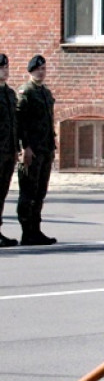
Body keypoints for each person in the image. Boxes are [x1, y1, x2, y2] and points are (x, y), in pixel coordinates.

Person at [15, 54, 56, 245]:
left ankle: (36, 229)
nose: (41, 72)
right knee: (28, 191)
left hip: (45, 148)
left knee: (40, 191)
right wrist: (25, 147)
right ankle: (26, 230)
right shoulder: (26, 92)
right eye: (38, 69)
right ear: (31, 71)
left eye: (44, 69)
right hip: (32, 149)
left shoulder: (45, 93)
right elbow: (20, 122)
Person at [0, 54, 17, 247]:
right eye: (1, 67)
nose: (5, 69)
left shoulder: (10, 94)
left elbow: (15, 124)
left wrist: (17, 148)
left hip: (8, 150)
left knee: (2, 193)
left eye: (6, 66)